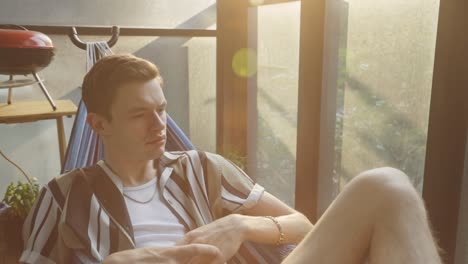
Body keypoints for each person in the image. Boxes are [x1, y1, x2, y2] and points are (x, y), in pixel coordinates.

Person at [20, 54, 442, 264]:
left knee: (386, 185)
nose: (159, 124)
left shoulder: (202, 168)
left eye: (162, 109)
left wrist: (240, 224)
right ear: (99, 125)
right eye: (138, 114)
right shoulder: (62, 197)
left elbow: (303, 226)